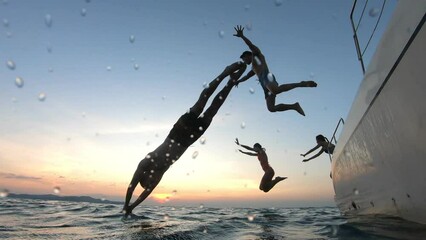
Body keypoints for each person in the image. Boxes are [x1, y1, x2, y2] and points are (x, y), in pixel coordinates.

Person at [122, 55, 252, 216]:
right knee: (213, 110)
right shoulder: (159, 175)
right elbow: (145, 194)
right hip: (189, 139)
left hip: (177, 132)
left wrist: (126, 204)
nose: (154, 180)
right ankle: (231, 83)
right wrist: (132, 207)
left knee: (202, 101)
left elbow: (131, 186)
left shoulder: (145, 163)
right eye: (152, 182)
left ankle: (224, 74)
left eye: (151, 180)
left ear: (145, 175)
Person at [233, 25, 317, 116]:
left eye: (244, 59)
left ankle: (301, 84)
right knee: (271, 108)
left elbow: (250, 45)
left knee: (275, 90)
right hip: (264, 86)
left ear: (248, 55)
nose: (244, 61)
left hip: (267, 78)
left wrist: (242, 36)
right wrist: (239, 81)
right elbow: (247, 76)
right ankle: (294, 106)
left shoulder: (256, 55)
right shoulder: (253, 68)